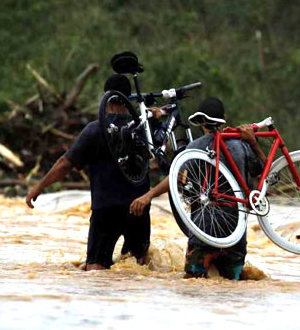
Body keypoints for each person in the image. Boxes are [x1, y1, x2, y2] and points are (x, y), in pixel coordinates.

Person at [25, 73, 163, 271]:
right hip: (138, 208)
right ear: (128, 97)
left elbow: (65, 163)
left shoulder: (95, 129)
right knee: (137, 268)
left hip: (106, 210)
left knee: (95, 269)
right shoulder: (144, 129)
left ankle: (100, 302)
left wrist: (39, 186)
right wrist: (155, 118)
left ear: (106, 97)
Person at [129, 97, 267, 280]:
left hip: (203, 229)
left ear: (201, 122)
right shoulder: (242, 146)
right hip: (235, 231)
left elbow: (176, 177)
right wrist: (254, 143)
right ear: (223, 118)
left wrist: (148, 195)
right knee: (232, 288)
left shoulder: (195, 147)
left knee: (194, 283)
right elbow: (266, 172)